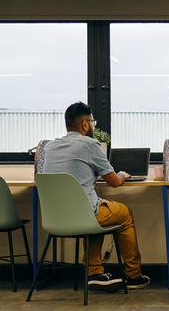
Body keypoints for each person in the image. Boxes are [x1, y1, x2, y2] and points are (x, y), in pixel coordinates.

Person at [43, 102, 150, 292]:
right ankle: (133, 276)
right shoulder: (90, 144)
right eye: (92, 122)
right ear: (85, 124)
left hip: (55, 217)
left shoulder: (49, 147)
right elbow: (114, 182)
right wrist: (123, 175)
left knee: (95, 209)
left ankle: (93, 273)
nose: (93, 126)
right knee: (124, 214)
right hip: (84, 215)